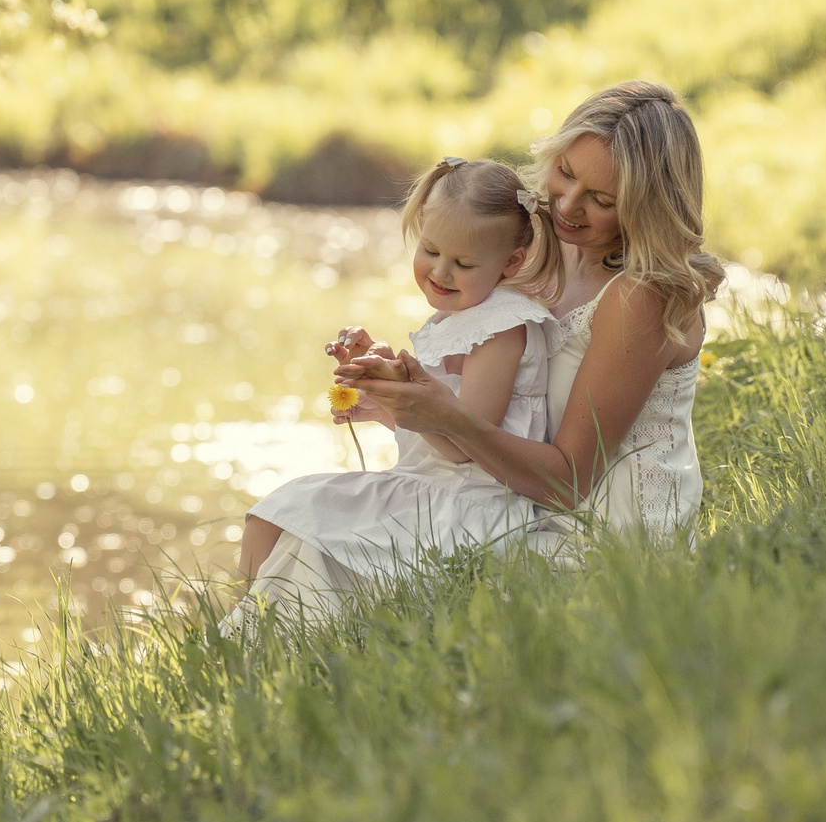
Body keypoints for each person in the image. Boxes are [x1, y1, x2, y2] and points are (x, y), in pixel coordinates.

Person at [236, 82, 721, 621]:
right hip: (518, 506)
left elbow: (567, 482)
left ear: (644, 207)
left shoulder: (639, 296)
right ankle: (252, 679)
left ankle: (279, 683)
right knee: (295, 521)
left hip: (600, 545)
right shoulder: (541, 252)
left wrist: (448, 416)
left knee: (324, 550)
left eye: (601, 201)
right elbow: (502, 409)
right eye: (565, 173)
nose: (567, 205)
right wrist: (399, 401)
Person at [238, 157, 561, 586]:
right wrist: (384, 402)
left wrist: (403, 391)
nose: (441, 272)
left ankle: (248, 633)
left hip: (468, 509)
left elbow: (464, 445)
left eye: (463, 264)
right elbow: (435, 438)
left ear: (511, 262)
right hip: (431, 488)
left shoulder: (500, 330)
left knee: (296, 512)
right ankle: (241, 631)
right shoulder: (458, 317)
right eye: (430, 251)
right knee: (273, 517)